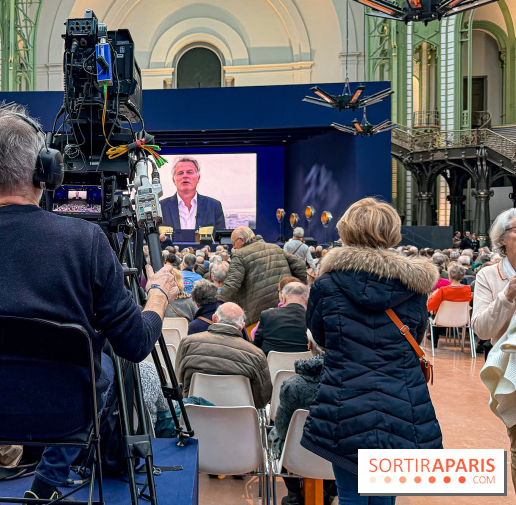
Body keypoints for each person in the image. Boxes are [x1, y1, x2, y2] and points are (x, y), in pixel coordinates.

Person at [0, 105, 178, 502]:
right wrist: (158, 293)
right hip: (66, 415)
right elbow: (135, 344)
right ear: (46, 170)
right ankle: (45, 486)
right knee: (101, 361)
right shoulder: (87, 242)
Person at [301, 198, 442, 505]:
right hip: (400, 400)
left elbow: (320, 337)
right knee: (384, 496)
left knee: (350, 495)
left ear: (347, 230)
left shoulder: (328, 283)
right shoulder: (414, 286)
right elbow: (416, 335)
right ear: (392, 232)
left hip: (344, 399)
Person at [471, 208, 516, 489]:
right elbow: (482, 329)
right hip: (512, 372)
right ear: (502, 239)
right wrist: (507, 296)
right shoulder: (489, 276)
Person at [271, 355, 337, 505]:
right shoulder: (344, 386)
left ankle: (293, 495)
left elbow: (282, 428)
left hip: (295, 457)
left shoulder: (292, 385)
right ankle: (328, 493)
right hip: (333, 458)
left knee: (278, 438)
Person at [176, 302, 270, 406]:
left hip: (195, 412)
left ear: (214, 319)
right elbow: (262, 399)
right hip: (238, 413)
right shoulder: (256, 355)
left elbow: (179, 381)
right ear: (241, 327)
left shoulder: (188, 344)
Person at [220, 226, 308, 326]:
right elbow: (300, 265)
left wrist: (217, 304)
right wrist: (298, 286)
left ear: (242, 240)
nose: (234, 247)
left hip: (256, 315)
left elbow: (231, 285)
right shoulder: (275, 248)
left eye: (233, 243)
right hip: (282, 308)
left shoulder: (240, 255)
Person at [159, 156, 226, 231]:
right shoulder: (161, 207)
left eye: (189, 172)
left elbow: (221, 236)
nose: (185, 176)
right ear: (174, 180)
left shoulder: (214, 206)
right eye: (180, 173)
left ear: (198, 178)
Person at [254, 281, 310, 356]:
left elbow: (257, 343)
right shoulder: (313, 318)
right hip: (305, 361)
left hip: (271, 362)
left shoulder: (267, 315)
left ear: (284, 299)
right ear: (307, 300)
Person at [427, 262, 472, 349]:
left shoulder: (442, 291)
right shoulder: (468, 290)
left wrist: (433, 295)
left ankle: (434, 341)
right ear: (462, 277)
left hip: (441, 320)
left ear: (449, 276)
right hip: (462, 321)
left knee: (434, 315)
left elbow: (430, 307)